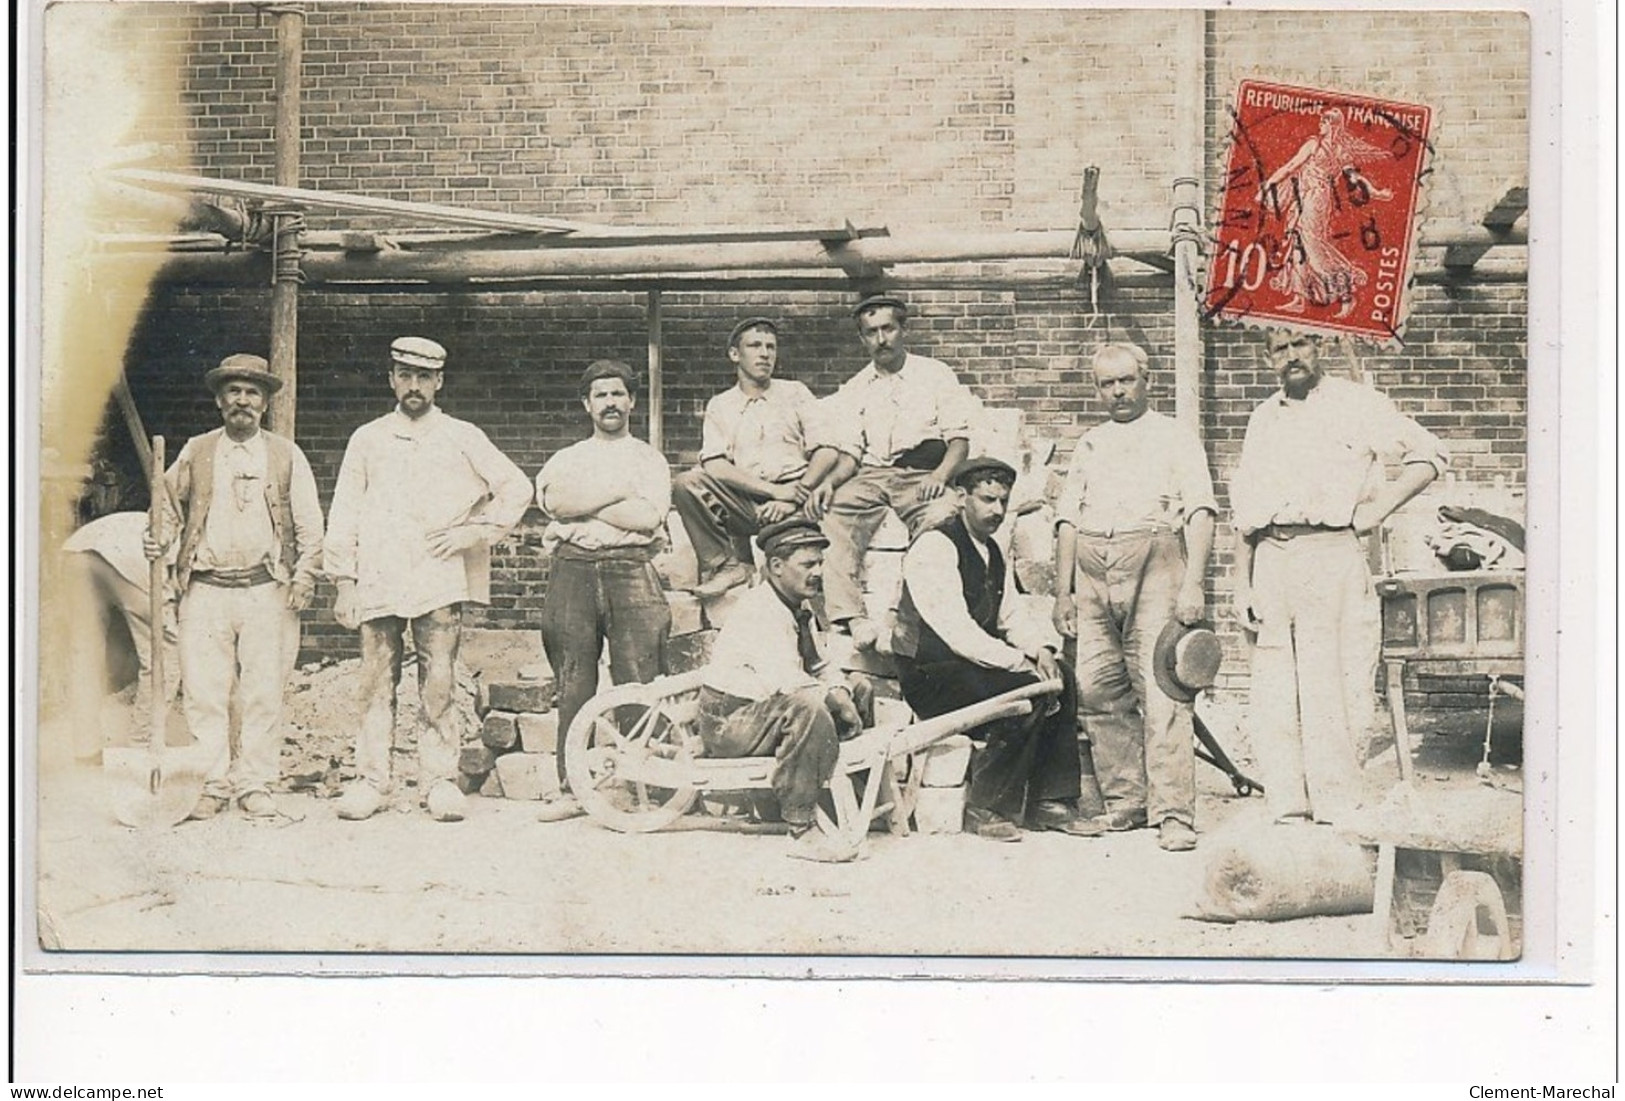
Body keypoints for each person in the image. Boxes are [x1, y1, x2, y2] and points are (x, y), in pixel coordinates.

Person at [1231, 328, 1449, 825]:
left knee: (1334, 681)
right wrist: (1241, 582)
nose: (1292, 356)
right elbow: (1243, 507)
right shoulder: (1262, 418)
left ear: (1321, 348)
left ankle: (1337, 802)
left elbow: (1431, 454)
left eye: (1300, 344)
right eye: (1279, 348)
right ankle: (1287, 801)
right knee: (1273, 685)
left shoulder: (1358, 403)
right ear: (1269, 359)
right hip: (1270, 557)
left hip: (1330, 553)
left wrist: (1378, 509)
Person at [324, 336, 532, 823]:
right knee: (376, 681)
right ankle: (371, 780)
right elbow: (345, 511)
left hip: (437, 577)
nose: (413, 386)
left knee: (438, 681)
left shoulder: (462, 435)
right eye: (405, 375)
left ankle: (438, 780)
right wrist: (344, 581)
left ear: (439, 382)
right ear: (391, 379)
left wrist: (473, 532)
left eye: (424, 377)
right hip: (377, 575)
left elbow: (516, 487)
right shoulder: (368, 438)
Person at [1051, 343, 1218, 852]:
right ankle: (1128, 800)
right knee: (1098, 688)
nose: (1118, 392)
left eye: (1126, 380)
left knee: (1163, 686)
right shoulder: (1090, 444)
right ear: (1097, 389)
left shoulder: (1173, 437)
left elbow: (1201, 510)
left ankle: (1173, 813)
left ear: (1146, 380)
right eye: (1107, 384)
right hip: (1093, 570)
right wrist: (1063, 593)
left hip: (1155, 557)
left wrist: (1193, 582)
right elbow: (1067, 521)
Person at [144, 354, 323, 820]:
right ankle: (213, 782)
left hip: (267, 590)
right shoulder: (196, 450)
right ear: (220, 400)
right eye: (234, 391)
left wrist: (305, 575)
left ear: (264, 402)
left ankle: (256, 782)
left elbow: (310, 525)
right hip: (205, 590)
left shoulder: (286, 454)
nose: (243, 400)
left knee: (263, 692)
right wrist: (157, 539)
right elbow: (165, 509)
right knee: (205, 693)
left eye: (252, 392)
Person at [891, 456, 1090, 841]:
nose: (996, 510)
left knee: (1060, 675)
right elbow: (956, 631)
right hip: (929, 675)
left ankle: (1051, 801)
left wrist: (1042, 650)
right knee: (1023, 691)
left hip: (968, 668)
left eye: (1003, 501)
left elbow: (1010, 617)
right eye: (986, 500)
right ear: (962, 497)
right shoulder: (936, 545)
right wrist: (1020, 663)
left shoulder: (992, 551)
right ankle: (985, 807)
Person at [534, 359, 673, 822]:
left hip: (631, 569)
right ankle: (573, 789)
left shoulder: (648, 459)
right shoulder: (568, 458)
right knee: (574, 680)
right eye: (601, 395)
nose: (610, 403)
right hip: (572, 571)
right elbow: (556, 503)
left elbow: (647, 518)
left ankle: (645, 787)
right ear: (586, 404)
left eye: (618, 394)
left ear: (632, 400)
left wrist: (584, 508)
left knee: (640, 679)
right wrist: (618, 495)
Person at [806, 293, 978, 647]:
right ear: (862, 338)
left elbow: (959, 440)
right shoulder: (855, 388)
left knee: (943, 516)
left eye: (888, 329)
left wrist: (939, 477)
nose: (881, 339)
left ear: (903, 330)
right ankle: (852, 619)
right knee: (833, 512)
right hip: (871, 475)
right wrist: (827, 484)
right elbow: (851, 453)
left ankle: (904, 613)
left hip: (922, 472)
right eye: (871, 332)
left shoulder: (935, 375)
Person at [699, 517, 875, 862]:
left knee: (860, 686)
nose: (818, 571)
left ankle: (841, 798)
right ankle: (800, 828)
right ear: (777, 566)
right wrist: (835, 699)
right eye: (808, 564)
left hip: (762, 710)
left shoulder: (799, 605)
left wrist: (843, 690)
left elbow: (821, 664)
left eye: (820, 563)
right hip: (729, 721)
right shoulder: (760, 610)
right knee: (807, 706)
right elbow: (786, 680)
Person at [671, 317, 834, 598]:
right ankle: (726, 565)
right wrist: (773, 492)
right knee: (687, 483)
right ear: (735, 354)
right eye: (755, 346)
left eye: (771, 347)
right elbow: (715, 464)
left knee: (795, 571)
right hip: (746, 500)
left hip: (796, 497)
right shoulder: (721, 404)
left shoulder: (795, 393)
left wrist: (794, 495)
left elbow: (828, 450)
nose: (765, 354)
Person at [63, 511, 181, 754]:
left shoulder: (158, 516)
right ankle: (142, 743)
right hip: (128, 560)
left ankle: (86, 749)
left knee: (86, 655)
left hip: (76, 551)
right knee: (164, 656)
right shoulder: (188, 534)